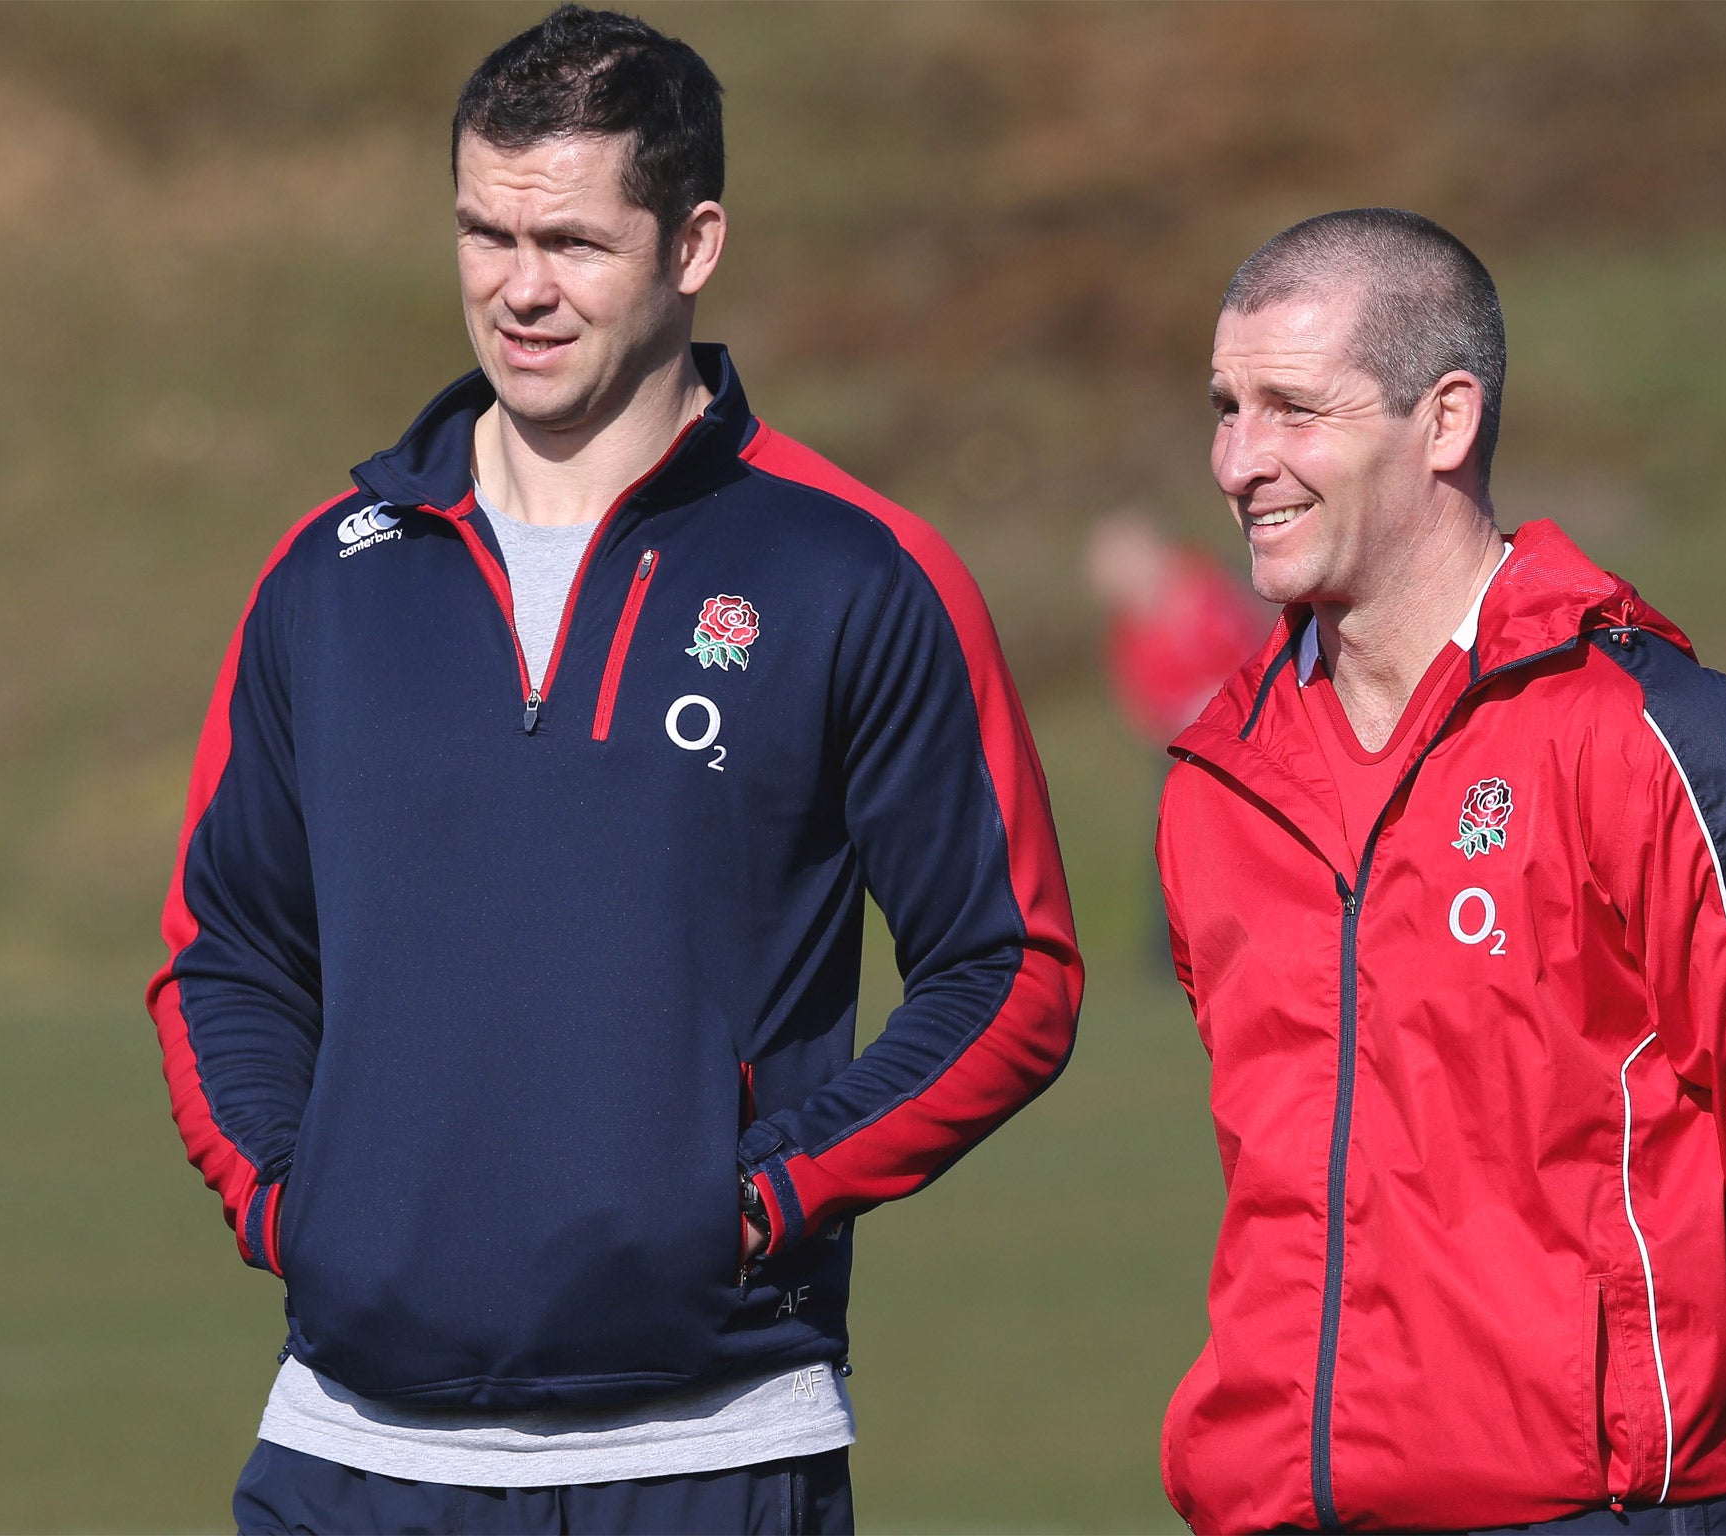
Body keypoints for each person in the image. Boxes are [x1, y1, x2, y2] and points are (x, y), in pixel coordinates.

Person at [144, 9, 1082, 1532]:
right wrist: (286, 1203)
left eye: (573, 241)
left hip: (702, 1458)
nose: (519, 288)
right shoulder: (327, 573)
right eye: (484, 231)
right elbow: (225, 954)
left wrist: (751, 1200)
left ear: (694, 242)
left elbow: (1009, 972)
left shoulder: (857, 572)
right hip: (344, 1455)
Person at [1155, 209, 1726, 1534]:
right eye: (1227, 409)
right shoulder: (1218, 783)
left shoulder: (1659, 737)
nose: (1241, 461)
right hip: (1284, 1508)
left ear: (1446, 422)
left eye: (1294, 409)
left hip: (1603, 1512)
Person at [1086, 509, 1269, 749]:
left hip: (1256, 706)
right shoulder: (1125, 640)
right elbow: (1146, 708)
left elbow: (1253, 638)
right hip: (1194, 740)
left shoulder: (1209, 590)